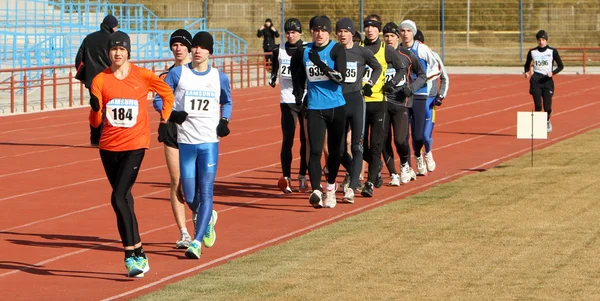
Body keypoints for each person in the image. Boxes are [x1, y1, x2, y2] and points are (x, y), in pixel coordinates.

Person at [88, 31, 175, 277]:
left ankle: (129, 256)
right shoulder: (100, 80)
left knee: (117, 197)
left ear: (128, 52)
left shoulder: (143, 76)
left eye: (122, 49)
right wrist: (95, 110)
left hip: (136, 144)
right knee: (124, 199)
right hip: (108, 147)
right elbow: (95, 122)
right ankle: (140, 252)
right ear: (109, 53)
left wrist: (165, 121)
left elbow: (167, 94)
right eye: (114, 50)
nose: (117, 53)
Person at [162, 31, 232, 259]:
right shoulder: (178, 74)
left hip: (209, 142)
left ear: (210, 51)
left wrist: (224, 120)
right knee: (189, 195)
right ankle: (208, 216)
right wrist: (173, 114)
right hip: (186, 143)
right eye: (196, 47)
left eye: (203, 47)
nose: (198, 50)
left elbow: (227, 101)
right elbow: (158, 99)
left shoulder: (219, 77)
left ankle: (196, 241)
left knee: (207, 190)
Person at [291, 15, 347, 209]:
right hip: (315, 108)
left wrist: (320, 64)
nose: (319, 33)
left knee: (335, 152)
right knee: (314, 150)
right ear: (311, 32)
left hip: (336, 107)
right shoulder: (304, 51)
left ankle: (330, 186)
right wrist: (298, 91)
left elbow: (340, 78)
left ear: (329, 31)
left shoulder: (337, 49)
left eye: (323, 30)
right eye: (315, 30)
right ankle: (316, 190)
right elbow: (296, 70)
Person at [360, 14, 411, 197]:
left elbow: (402, 68)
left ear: (378, 30)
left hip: (379, 102)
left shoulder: (385, 50)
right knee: (358, 146)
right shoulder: (357, 48)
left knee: (376, 145)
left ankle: (370, 183)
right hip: (360, 104)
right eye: (367, 27)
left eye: (374, 27)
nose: (370, 30)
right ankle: (377, 164)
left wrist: (392, 83)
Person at [153, 29, 193, 249]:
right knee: (176, 181)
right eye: (174, 45)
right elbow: (157, 102)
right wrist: (170, 114)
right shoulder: (165, 76)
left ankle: (201, 219)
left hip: (195, 131)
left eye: (181, 44)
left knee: (193, 182)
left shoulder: (200, 73)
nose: (177, 48)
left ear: (189, 47)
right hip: (171, 130)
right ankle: (184, 232)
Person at [335, 17, 382, 203]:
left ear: (352, 34)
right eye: (339, 31)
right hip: (338, 102)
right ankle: (353, 172)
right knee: (337, 149)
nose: (342, 34)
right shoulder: (333, 52)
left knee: (357, 146)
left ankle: (352, 187)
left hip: (356, 101)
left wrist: (370, 83)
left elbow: (377, 67)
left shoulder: (362, 52)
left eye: (346, 31)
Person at [381, 22, 426, 185]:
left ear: (397, 38)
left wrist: (411, 88)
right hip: (382, 103)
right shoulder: (376, 55)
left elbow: (422, 75)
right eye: (386, 36)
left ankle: (405, 164)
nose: (389, 39)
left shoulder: (407, 55)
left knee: (400, 140)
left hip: (401, 103)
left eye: (392, 36)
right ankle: (393, 173)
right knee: (383, 140)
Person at [269, 18, 309, 194]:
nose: (290, 35)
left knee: (306, 140)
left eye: (294, 32)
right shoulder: (279, 49)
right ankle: (286, 177)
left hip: (307, 99)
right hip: (287, 100)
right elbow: (274, 69)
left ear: (300, 33)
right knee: (288, 139)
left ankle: (302, 175)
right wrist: (272, 78)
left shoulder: (307, 49)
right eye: (288, 32)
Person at [399, 20, 440, 176]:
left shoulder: (421, 49)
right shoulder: (398, 49)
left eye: (408, 31)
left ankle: (421, 154)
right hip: (403, 96)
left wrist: (422, 79)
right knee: (402, 135)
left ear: (413, 33)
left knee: (418, 135)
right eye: (402, 30)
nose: (405, 33)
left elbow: (436, 68)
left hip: (420, 94)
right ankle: (408, 166)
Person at [76, 14, 119, 147]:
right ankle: (107, 138)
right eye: (116, 26)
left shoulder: (89, 38)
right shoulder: (114, 39)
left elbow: (79, 59)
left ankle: (95, 139)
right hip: (109, 78)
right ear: (112, 26)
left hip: (92, 80)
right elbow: (119, 58)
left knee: (96, 108)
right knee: (109, 108)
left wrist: (83, 77)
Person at [414, 29, 449, 171]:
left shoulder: (432, 55)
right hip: (413, 99)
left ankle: (427, 152)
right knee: (414, 135)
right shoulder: (405, 55)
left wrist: (440, 95)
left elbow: (444, 77)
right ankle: (418, 157)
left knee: (425, 136)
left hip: (428, 101)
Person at [524, 29, 563, 133]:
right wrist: (527, 72)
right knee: (538, 105)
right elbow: (527, 64)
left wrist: (553, 73)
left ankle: (547, 120)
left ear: (546, 40)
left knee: (547, 107)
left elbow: (561, 66)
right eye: (539, 40)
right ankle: (537, 126)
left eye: (543, 39)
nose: (541, 42)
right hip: (536, 80)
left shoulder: (552, 51)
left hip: (547, 81)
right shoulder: (532, 52)